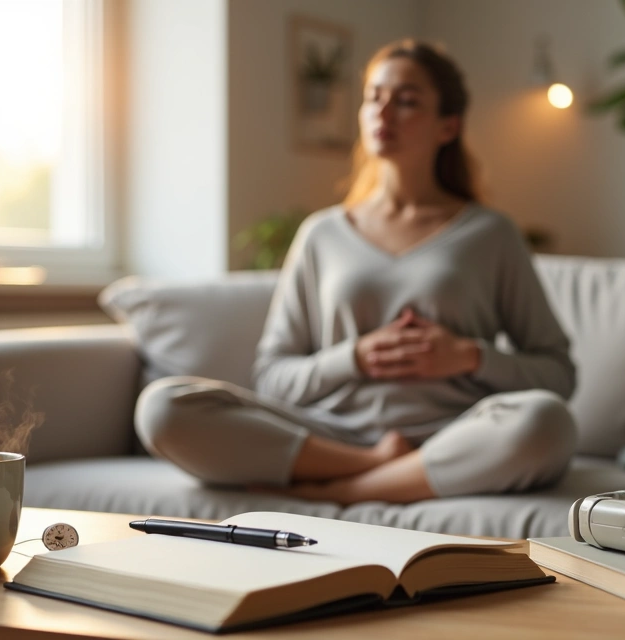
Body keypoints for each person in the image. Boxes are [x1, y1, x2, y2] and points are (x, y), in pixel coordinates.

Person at [134, 40, 577, 506]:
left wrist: (470, 357)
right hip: (331, 435)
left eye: (406, 101)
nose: (383, 113)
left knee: (547, 422)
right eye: (373, 97)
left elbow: (557, 374)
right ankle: (373, 467)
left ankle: (348, 490)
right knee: (163, 408)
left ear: (449, 125)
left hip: (452, 435)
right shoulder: (320, 234)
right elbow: (273, 376)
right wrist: (356, 357)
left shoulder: (491, 233)